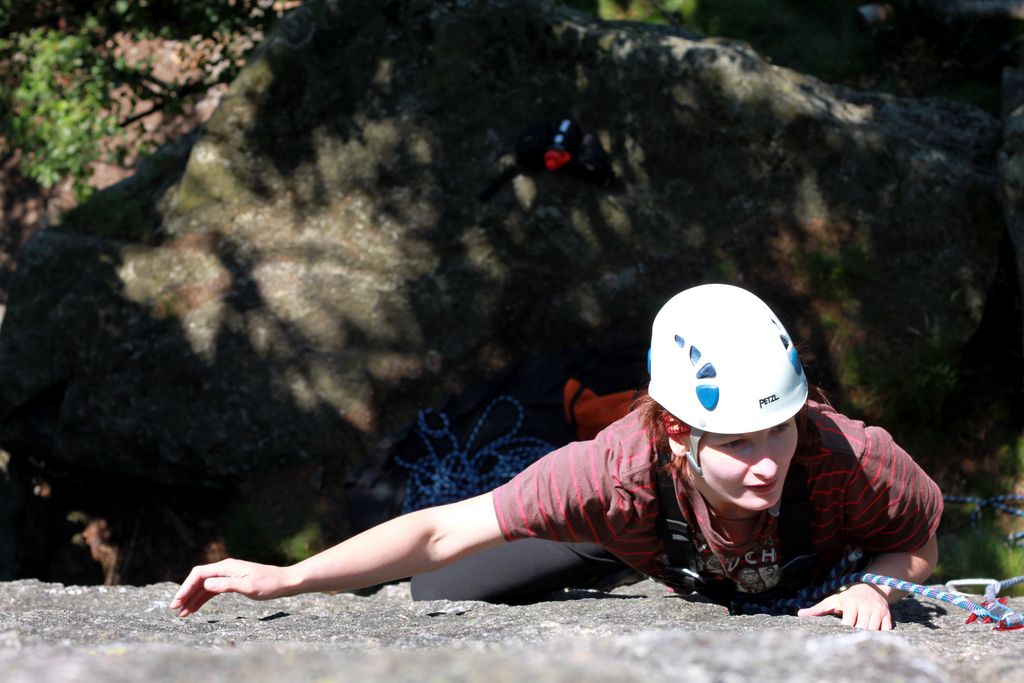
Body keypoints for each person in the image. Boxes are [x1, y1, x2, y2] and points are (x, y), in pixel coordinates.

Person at [170, 284, 942, 631]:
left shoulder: (851, 457)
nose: (768, 460)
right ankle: (625, 554)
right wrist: (291, 577)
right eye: (737, 444)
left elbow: (920, 542)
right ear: (676, 431)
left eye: (780, 429)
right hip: (636, 529)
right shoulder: (610, 474)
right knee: (442, 592)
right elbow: (442, 531)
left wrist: (876, 584)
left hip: (794, 560)